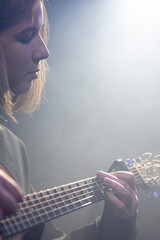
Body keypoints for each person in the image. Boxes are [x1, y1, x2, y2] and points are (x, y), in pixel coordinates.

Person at [0, 0, 138, 239]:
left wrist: (116, 224)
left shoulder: (11, 148)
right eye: (26, 36)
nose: (44, 51)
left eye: (40, 33)